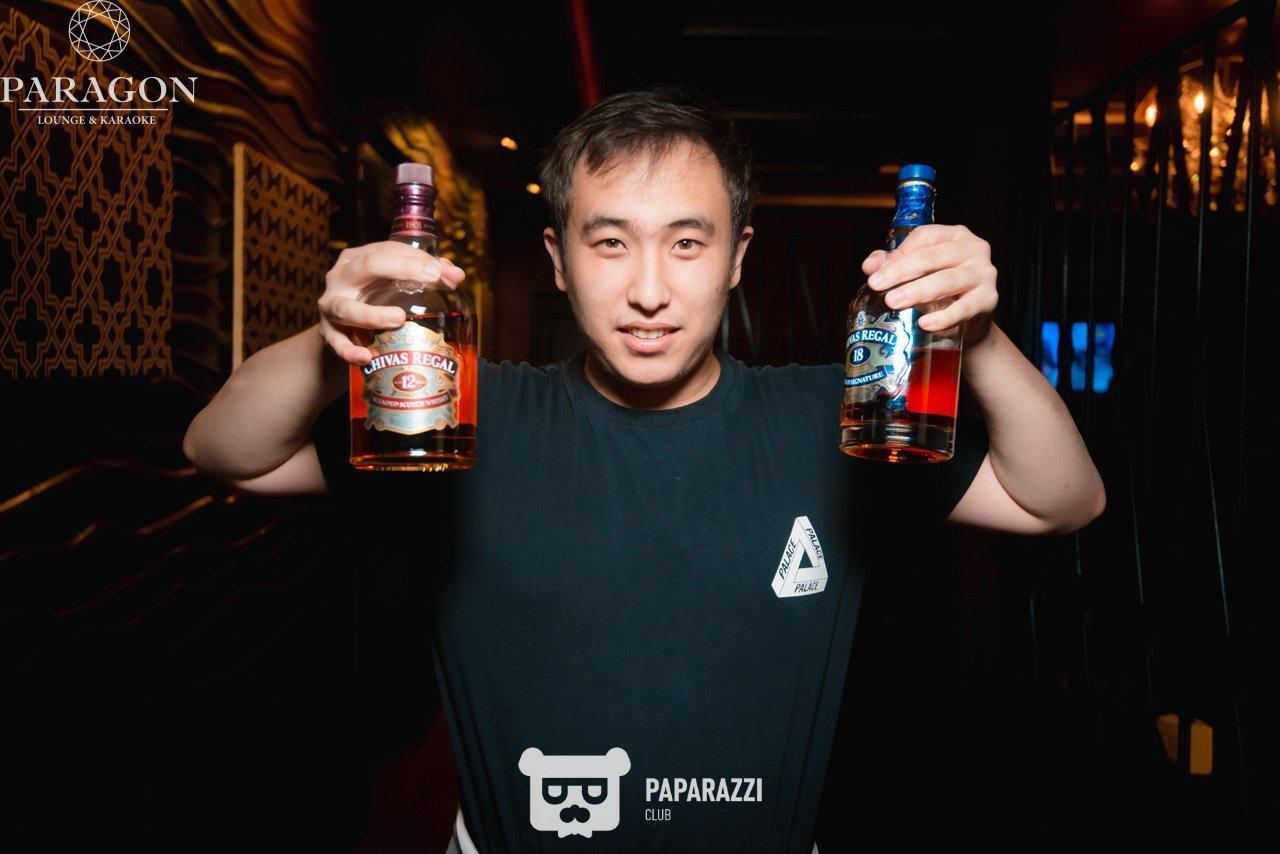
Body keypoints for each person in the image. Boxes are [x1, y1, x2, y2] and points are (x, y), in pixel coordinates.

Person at [184, 84, 1105, 852]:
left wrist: (979, 337)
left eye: (688, 242)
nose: (650, 290)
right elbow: (225, 452)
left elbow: (1060, 500)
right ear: (558, 260)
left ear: (738, 258)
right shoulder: (468, 413)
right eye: (610, 242)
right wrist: (334, 340)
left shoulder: (836, 417)